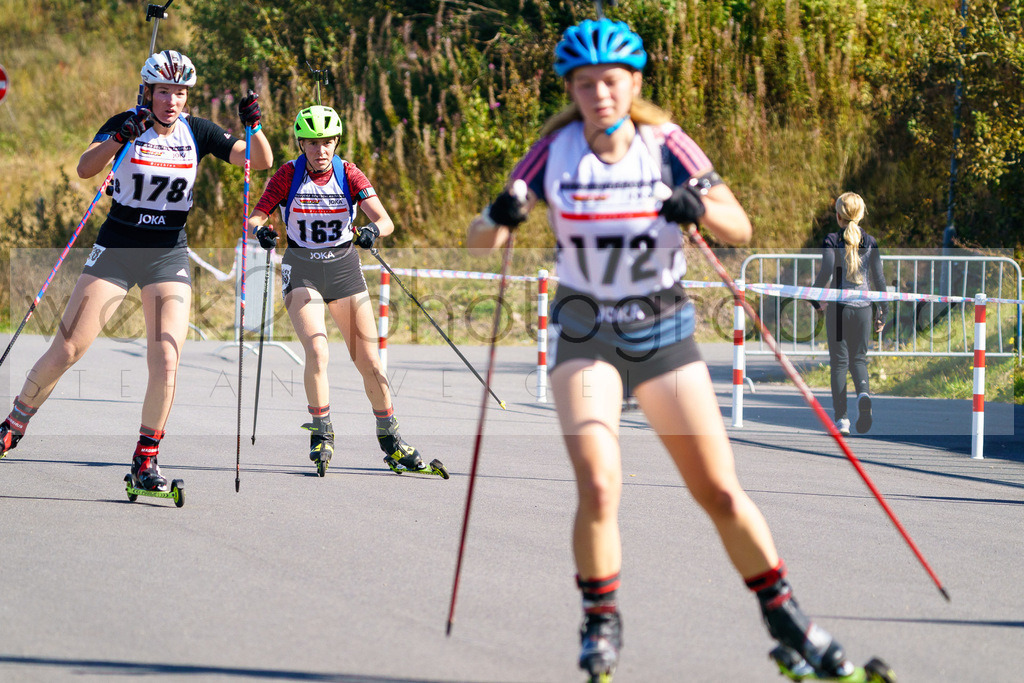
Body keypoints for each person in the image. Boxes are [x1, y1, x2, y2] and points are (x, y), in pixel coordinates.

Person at [468, 18, 867, 682]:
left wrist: (697, 206)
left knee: (717, 489)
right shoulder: (553, 150)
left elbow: (739, 225)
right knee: (599, 483)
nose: (599, 93)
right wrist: (499, 217)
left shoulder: (666, 144)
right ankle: (601, 621)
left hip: (661, 334)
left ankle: (787, 620)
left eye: (611, 81)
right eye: (585, 83)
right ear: (571, 88)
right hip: (586, 333)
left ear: (634, 85)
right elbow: (483, 243)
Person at [0, 50, 273, 491]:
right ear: (148, 91)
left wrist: (254, 125)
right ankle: (13, 424)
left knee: (167, 356)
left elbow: (257, 161)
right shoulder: (127, 121)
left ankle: (146, 460)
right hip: (118, 248)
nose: (171, 101)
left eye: (180, 92)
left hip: (167, 253)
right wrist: (118, 138)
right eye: (163, 91)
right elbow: (85, 167)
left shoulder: (197, 131)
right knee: (69, 347)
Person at [246, 104, 434, 477]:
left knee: (369, 361)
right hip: (303, 270)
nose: (321, 150)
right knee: (317, 348)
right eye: (313, 143)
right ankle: (321, 432)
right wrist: (260, 230)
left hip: (345, 270)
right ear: (301, 143)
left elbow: (385, 219)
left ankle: (391, 440)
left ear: (336, 142)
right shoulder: (288, 174)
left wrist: (371, 231)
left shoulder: (348, 173)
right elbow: (256, 215)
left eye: (328, 141)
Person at [810, 192, 887, 436]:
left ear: (838, 215)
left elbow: (825, 273)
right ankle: (863, 394)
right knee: (859, 360)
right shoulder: (871, 241)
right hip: (864, 310)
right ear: (861, 214)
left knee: (839, 364)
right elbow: (879, 279)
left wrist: (815, 300)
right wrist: (883, 311)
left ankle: (841, 420)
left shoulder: (832, 239)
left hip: (839, 310)